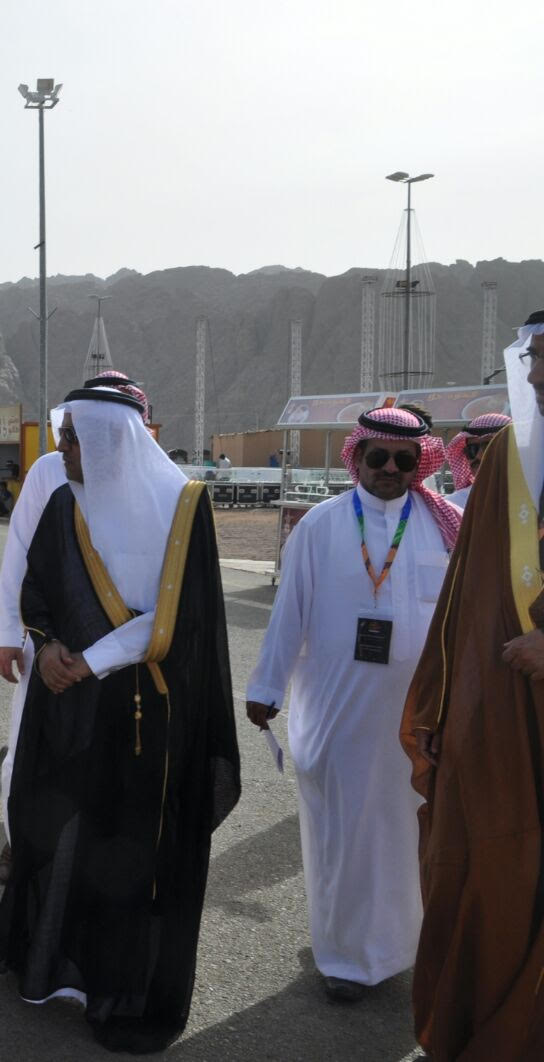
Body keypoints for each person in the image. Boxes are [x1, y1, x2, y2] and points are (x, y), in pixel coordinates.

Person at [0, 385, 239, 1054]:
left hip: (144, 708)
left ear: (108, 441)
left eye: (71, 439)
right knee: (64, 831)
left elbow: (179, 616)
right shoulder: (65, 501)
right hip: (67, 701)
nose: (61, 450)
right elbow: (38, 586)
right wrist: (45, 647)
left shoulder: (184, 506)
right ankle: (56, 969)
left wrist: (88, 661)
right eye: (63, 436)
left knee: (127, 850)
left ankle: (120, 988)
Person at [246, 405, 462, 1004]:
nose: (390, 469)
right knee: (343, 836)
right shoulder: (320, 525)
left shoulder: (445, 525)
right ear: (357, 457)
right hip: (338, 713)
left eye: (404, 460)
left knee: (404, 834)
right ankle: (344, 958)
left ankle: (397, 949)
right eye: (378, 457)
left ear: (420, 464)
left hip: (416, 718)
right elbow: (289, 613)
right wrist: (266, 688)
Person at [401, 312, 544, 1061]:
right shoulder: (510, 466)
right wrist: (439, 704)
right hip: (499, 723)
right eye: (533, 360)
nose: (538, 378)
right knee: (493, 870)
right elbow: (464, 601)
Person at [0, 372, 152, 884]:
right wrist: (9, 634)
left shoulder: (158, 483)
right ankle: (18, 842)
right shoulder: (48, 471)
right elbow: (20, 552)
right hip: (48, 640)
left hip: (121, 650)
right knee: (27, 744)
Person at [444, 411, 510, 508]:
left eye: (489, 447)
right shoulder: (452, 505)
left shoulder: (531, 495)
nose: (479, 456)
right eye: (472, 449)